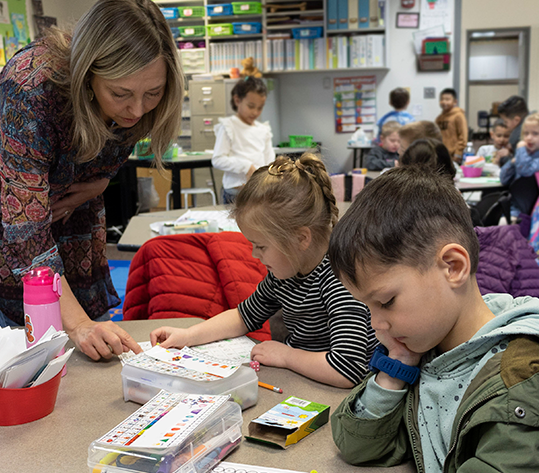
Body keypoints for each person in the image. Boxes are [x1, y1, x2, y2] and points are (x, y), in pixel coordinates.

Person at [328, 165, 539, 473]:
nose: (377, 324)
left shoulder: (519, 392)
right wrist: (397, 367)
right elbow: (357, 445)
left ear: (453, 267)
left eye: (387, 302)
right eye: (368, 308)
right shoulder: (431, 344)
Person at [0, 0, 185, 360]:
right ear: (88, 75)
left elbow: (108, 158)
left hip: (67, 183)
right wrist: (78, 325)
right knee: (37, 320)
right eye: (121, 94)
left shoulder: (140, 97)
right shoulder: (30, 85)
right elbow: (25, 230)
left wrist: (100, 184)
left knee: (85, 301)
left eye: (152, 94)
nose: (137, 110)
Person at [150, 153, 379, 388]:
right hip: (305, 379)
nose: (253, 254)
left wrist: (286, 356)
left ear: (301, 238)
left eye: (261, 246)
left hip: (341, 392)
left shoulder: (340, 280)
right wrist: (188, 336)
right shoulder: (287, 271)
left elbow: (347, 369)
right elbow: (243, 316)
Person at [212, 76, 274, 204]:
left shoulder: (263, 130)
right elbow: (217, 159)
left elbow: (269, 161)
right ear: (237, 100)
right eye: (251, 106)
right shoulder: (229, 126)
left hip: (258, 193)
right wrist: (245, 167)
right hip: (235, 194)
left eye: (260, 107)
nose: (255, 112)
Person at [500, 112, 539, 217]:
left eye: (535, 134)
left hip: (537, 211)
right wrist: (512, 162)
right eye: (526, 133)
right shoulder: (523, 157)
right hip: (515, 206)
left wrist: (521, 150)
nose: (529, 138)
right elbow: (504, 178)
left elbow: (525, 171)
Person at [435, 88, 468, 163]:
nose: (444, 102)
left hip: (454, 155)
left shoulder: (459, 116)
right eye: (442, 99)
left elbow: (463, 136)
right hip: (441, 154)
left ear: (455, 102)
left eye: (447, 99)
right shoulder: (439, 118)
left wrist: (458, 153)